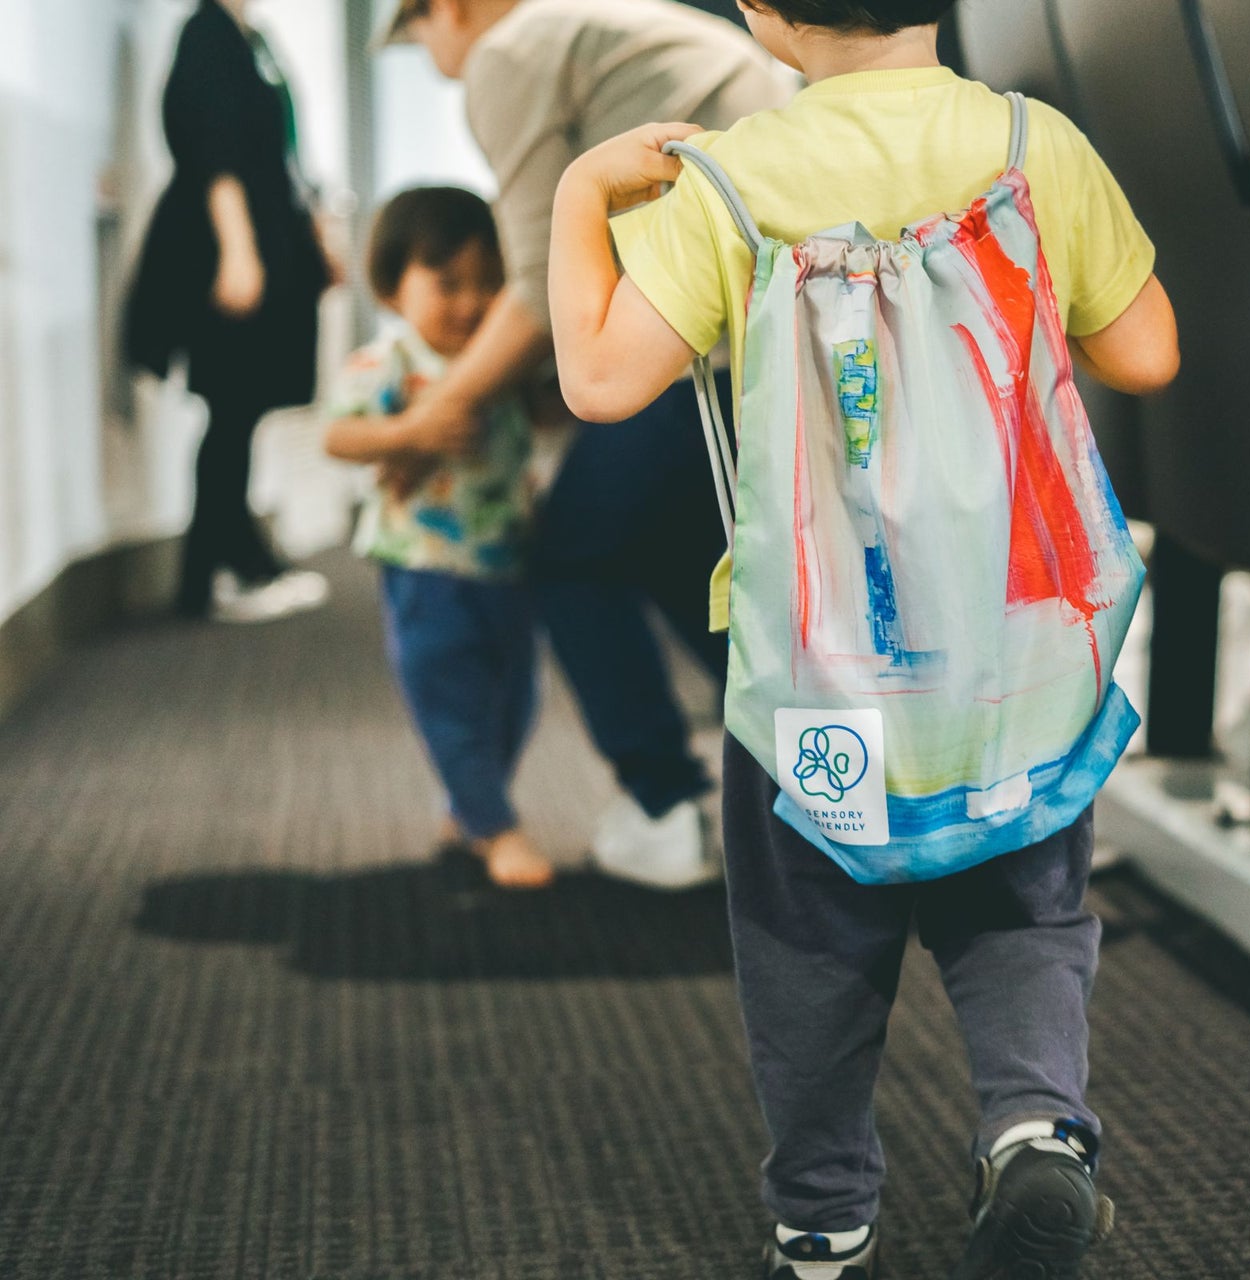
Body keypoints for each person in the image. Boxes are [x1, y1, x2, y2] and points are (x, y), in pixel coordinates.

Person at [546, 1, 1180, 1275]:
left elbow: (600, 382)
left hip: (817, 670)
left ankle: (824, 1217)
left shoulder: (731, 180)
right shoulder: (1034, 144)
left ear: (760, 10)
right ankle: (1034, 1123)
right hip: (1014, 660)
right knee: (1026, 910)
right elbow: (1146, 351)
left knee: (807, 943)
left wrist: (579, 195)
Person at [380, 0, 797, 890]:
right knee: (675, 555)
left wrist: (427, 420)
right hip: (777, 332)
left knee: (573, 554)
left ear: (446, 9)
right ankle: (808, 777)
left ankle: (666, 805)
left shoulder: (508, 52)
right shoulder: (599, 24)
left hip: (706, 352)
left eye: (418, 39)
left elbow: (538, 286)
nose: (434, 60)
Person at [324, 187, 554, 891]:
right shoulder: (391, 360)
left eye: (490, 283)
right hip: (423, 566)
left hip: (507, 562)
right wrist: (407, 432)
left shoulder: (503, 355)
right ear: (392, 286)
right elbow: (339, 436)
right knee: (447, 695)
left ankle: (470, 805)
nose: (472, 303)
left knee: (516, 700)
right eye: (448, 283)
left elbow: (549, 410)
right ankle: (495, 827)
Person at [126, 0, 334, 624]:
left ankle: (233, 564)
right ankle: (218, 573)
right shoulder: (208, 35)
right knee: (231, 409)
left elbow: (284, 155)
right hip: (224, 247)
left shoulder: (252, 40)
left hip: (265, 238)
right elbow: (214, 151)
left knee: (239, 413)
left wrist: (315, 236)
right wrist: (238, 250)